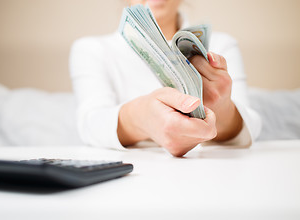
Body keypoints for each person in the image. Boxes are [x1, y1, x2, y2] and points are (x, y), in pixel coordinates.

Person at [69, 0, 262, 156]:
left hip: (208, 172)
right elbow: (90, 124)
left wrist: (221, 107)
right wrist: (141, 117)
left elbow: (251, 126)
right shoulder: (92, 49)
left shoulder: (222, 44)